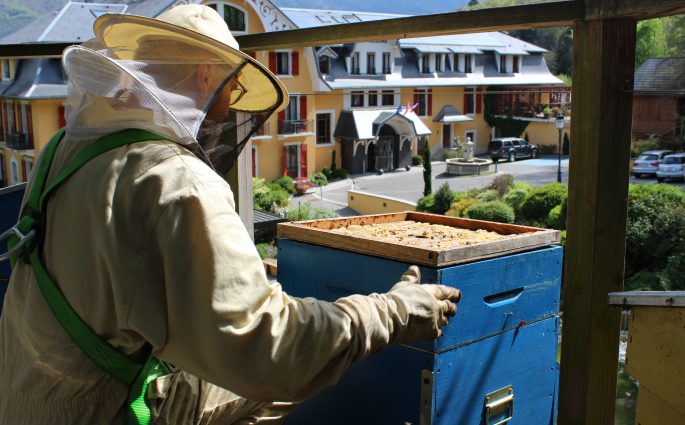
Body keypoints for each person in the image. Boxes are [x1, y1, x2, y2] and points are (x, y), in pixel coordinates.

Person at [0, 5, 461, 424]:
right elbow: (271, 353)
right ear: (205, 74)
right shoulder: (176, 180)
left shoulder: (64, 150)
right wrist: (392, 312)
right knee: (281, 383)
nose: (232, 99)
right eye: (233, 84)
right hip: (105, 409)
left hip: (31, 397)